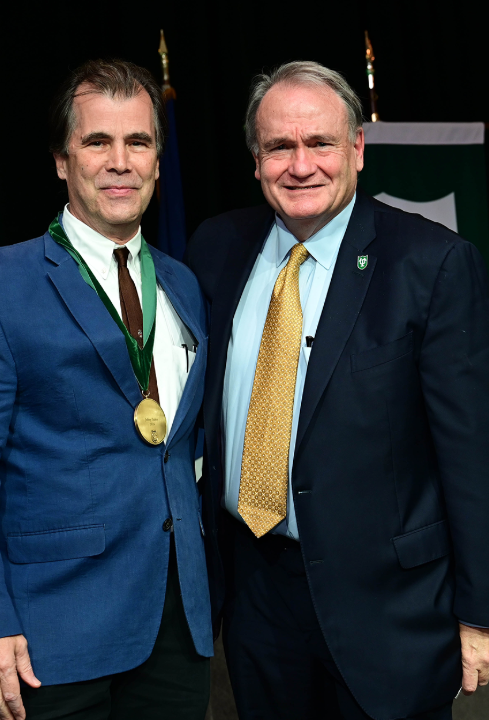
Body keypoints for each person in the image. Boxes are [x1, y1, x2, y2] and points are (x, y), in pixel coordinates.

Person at [185, 61, 489, 720]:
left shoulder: (430, 263)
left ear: (355, 149)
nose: (301, 165)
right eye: (279, 147)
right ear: (256, 159)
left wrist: (479, 614)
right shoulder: (215, 248)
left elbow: (470, 456)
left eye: (320, 143)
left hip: (389, 605)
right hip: (255, 594)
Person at [0, 58, 212, 720]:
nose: (119, 162)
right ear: (63, 160)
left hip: (177, 628)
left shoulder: (184, 286)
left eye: (138, 142)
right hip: (48, 637)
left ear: (157, 160)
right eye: (98, 142)